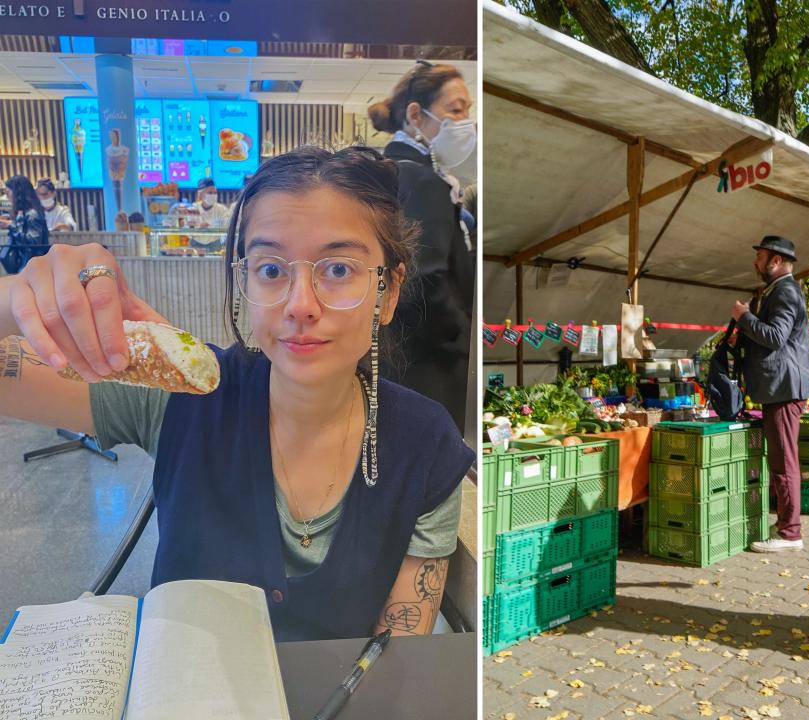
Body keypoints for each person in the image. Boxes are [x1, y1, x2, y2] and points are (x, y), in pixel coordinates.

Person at [0, 146, 473, 641]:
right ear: (244, 277)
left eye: (338, 270)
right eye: (271, 269)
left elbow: (394, 651)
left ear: (389, 292)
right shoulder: (182, 393)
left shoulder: (426, 444)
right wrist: (16, 301)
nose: (301, 305)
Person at [368, 61, 476, 433]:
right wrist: (466, 338)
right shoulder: (421, 180)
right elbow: (423, 280)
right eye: (456, 109)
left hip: (399, 359)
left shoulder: (386, 170)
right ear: (416, 115)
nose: (466, 123)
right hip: (431, 368)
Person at [732, 235, 809, 553]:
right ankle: (785, 525)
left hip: (783, 388)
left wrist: (745, 318)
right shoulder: (779, 291)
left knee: (784, 462)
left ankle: (790, 533)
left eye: (761, 256)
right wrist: (747, 336)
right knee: (781, 460)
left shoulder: (786, 291)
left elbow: (776, 337)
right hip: (779, 387)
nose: (756, 262)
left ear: (775, 261)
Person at [0, 175, 49, 275]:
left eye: (8, 192)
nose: (7, 196)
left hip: (33, 268)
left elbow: (34, 242)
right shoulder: (23, 213)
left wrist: (11, 226)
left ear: (17, 193)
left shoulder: (32, 214)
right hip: (27, 266)